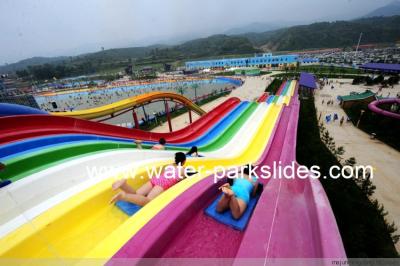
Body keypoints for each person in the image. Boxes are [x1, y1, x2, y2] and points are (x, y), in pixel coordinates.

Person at [110, 152, 187, 206]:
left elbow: (164, 174)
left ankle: (123, 185)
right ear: (184, 161)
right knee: (149, 200)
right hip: (164, 183)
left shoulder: (169, 165)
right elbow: (186, 180)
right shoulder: (183, 169)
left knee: (137, 194)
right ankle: (123, 196)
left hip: (156, 179)